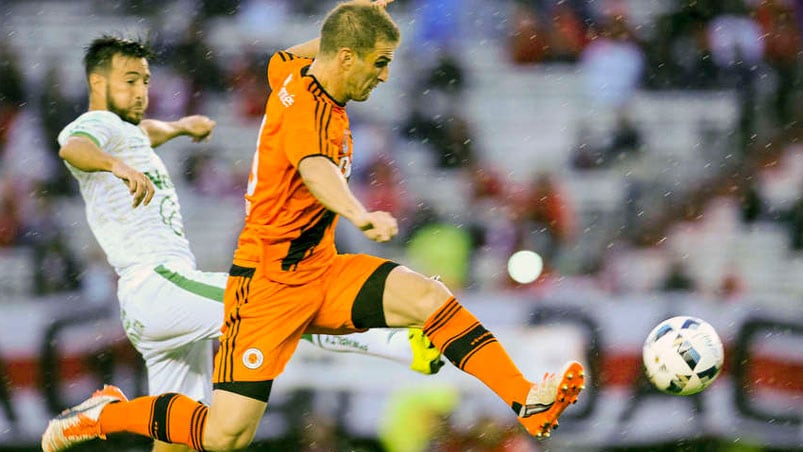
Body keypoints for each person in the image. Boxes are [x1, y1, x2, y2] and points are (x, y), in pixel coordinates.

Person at [42, 2, 584, 451]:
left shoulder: (296, 74)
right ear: (347, 59)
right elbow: (315, 169)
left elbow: (287, 56)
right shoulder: (307, 108)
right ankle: (106, 415)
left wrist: (352, 13)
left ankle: (526, 399)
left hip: (319, 270)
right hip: (267, 289)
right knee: (225, 435)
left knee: (427, 298)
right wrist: (357, 212)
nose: (384, 75)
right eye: (378, 62)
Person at [43, 33, 442, 452]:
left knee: (192, 439)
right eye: (130, 81)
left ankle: (100, 416)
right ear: (97, 84)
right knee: (274, 302)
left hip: (158, 305)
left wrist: (181, 127)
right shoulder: (95, 127)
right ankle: (399, 343)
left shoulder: (128, 132)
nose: (142, 91)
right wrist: (116, 166)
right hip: (157, 282)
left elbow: (146, 132)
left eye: (146, 81)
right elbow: (74, 147)